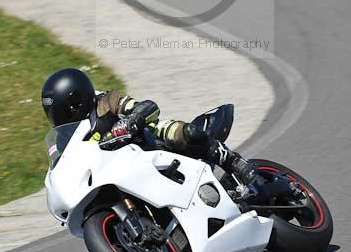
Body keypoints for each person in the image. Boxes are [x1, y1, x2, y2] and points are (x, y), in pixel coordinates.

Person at [41, 67, 257, 186]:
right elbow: (64, 165)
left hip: (150, 142)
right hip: (118, 172)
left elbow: (147, 107)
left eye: (61, 110)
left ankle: (235, 163)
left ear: (77, 101)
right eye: (52, 113)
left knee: (184, 133)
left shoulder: (106, 102)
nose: (57, 117)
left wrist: (132, 120)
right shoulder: (64, 139)